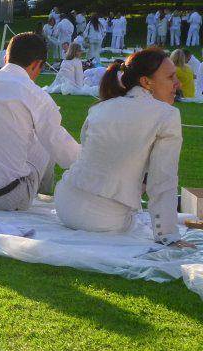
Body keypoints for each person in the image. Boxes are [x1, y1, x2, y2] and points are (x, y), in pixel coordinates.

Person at [54, 48, 189, 246]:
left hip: (64, 203)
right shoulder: (167, 115)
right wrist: (167, 235)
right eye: (170, 77)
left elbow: (88, 156)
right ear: (146, 82)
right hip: (105, 219)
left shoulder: (99, 108)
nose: (178, 83)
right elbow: (163, 180)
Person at [0, 33, 81, 211]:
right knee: (46, 139)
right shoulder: (36, 96)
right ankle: (45, 193)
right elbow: (65, 153)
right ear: (37, 65)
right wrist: (92, 163)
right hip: (8, 199)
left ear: (6, 58)